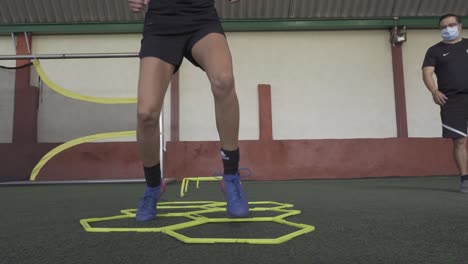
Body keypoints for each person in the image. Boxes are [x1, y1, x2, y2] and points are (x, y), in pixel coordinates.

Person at [127, 0, 249, 221]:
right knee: (146, 114)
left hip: (200, 16)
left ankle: (231, 176)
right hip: (161, 23)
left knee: (224, 80)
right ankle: (153, 186)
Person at [422, 14, 468, 193]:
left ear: (460, 26)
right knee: (459, 141)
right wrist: (434, 91)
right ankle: (465, 179)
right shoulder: (434, 51)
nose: (448, 28)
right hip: (451, 100)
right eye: (444, 26)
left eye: (452, 24)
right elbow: (427, 73)